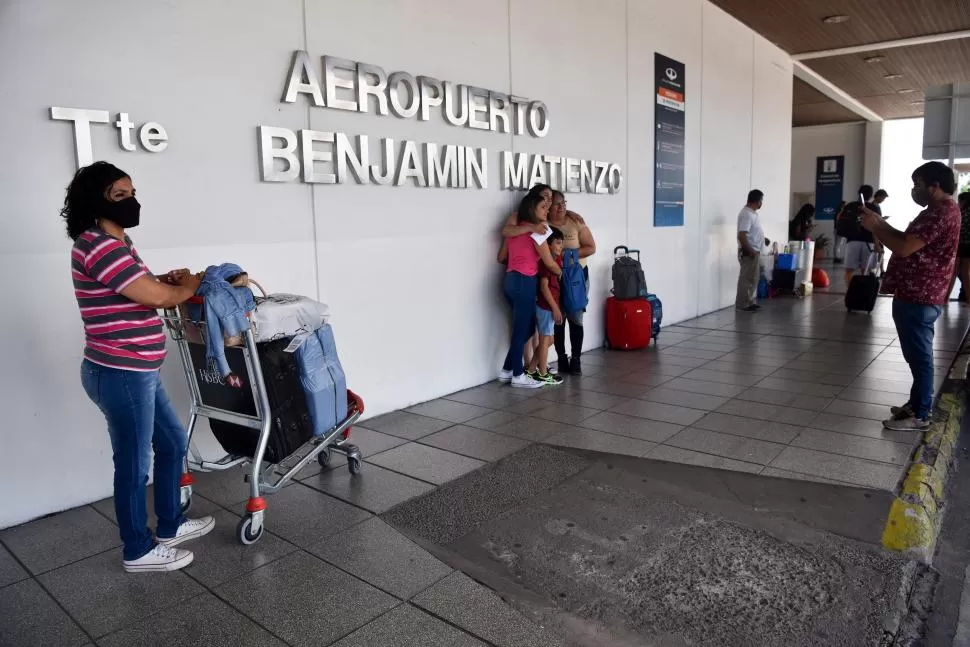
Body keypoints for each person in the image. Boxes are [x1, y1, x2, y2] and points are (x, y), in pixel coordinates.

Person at [63, 162, 215, 572]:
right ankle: (137, 549)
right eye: (120, 196)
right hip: (120, 374)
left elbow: (141, 284)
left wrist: (171, 279)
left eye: (132, 193)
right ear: (96, 201)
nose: (131, 202)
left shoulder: (119, 243)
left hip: (139, 372)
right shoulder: (97, 246)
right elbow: (158, 297)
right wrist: (192, 284)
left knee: (170, 443)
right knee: (133, 463)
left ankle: (170, 525)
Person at [860, 161, 960, 431]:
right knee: (916, 355)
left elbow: (905, 247)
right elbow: (907, 238)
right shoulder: (936, 211)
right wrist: (879, 223)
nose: (913, 190)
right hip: (916, 292)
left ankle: (921, 414)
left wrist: (876, 228)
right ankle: (916, 404)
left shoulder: (940, 213)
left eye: (917, 185)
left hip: (921, 294)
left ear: (934, 187)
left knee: (920, 356)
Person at [497, 191, 562, 388]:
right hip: (524, 282)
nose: (547, 210)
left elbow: (506, 237)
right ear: (531, 209)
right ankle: (518, 375)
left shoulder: (518, 228)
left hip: (510, 280)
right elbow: (549, 263)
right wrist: (560, 271)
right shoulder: (537, 233)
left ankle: (507, 370)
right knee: (521, 331)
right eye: (543, 207)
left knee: (525, 329)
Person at [548, 190, 596, 374]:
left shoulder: (575, 221)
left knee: (576, 317)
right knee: (559, 319)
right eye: (557, 204)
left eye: (564, 203)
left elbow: (591, 247)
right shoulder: (544, 224)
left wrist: (568, 255)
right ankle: (561, 358)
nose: (562, 207)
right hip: (555, 275)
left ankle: (576, 359)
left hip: (577, 276)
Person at [525, 227, 565, 385]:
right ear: (547, 245)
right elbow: (544, 287)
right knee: (544, 340)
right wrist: (555, 307)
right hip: (545, 306)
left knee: (549, 340)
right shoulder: (545, 263)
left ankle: (532, 368)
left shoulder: (557, 260)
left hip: (550, 306)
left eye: (562, 243)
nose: (561, 246)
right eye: (558, 243)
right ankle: (542, 373)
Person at [842, 185, 881, 288]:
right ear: (871, 195)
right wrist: (877, 244)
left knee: (849, 270)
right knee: (866, 270)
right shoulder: (874, 208)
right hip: (868, 242)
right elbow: (876, 227)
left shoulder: (850, 206)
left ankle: (850, 292)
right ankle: (863, 293)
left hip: (852, 241)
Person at [736, 189, 765, 312]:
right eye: (761, 200)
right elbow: (742, 235)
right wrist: (750, 250)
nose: (762, 203)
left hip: (755, 250)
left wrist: (764, 238)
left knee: (753, 278)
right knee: (746, 279)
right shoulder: (747, 214)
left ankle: (749, 301)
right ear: (757, 200)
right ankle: (742, 304)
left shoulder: (752, 213)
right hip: (749, 252)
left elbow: (751, 232)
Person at [949, 192, 970, 302]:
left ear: (963, 201)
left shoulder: (961, 214)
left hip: (960, 246)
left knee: (955, 272)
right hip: (967, 247)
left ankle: (945, 297)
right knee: (965, 272)